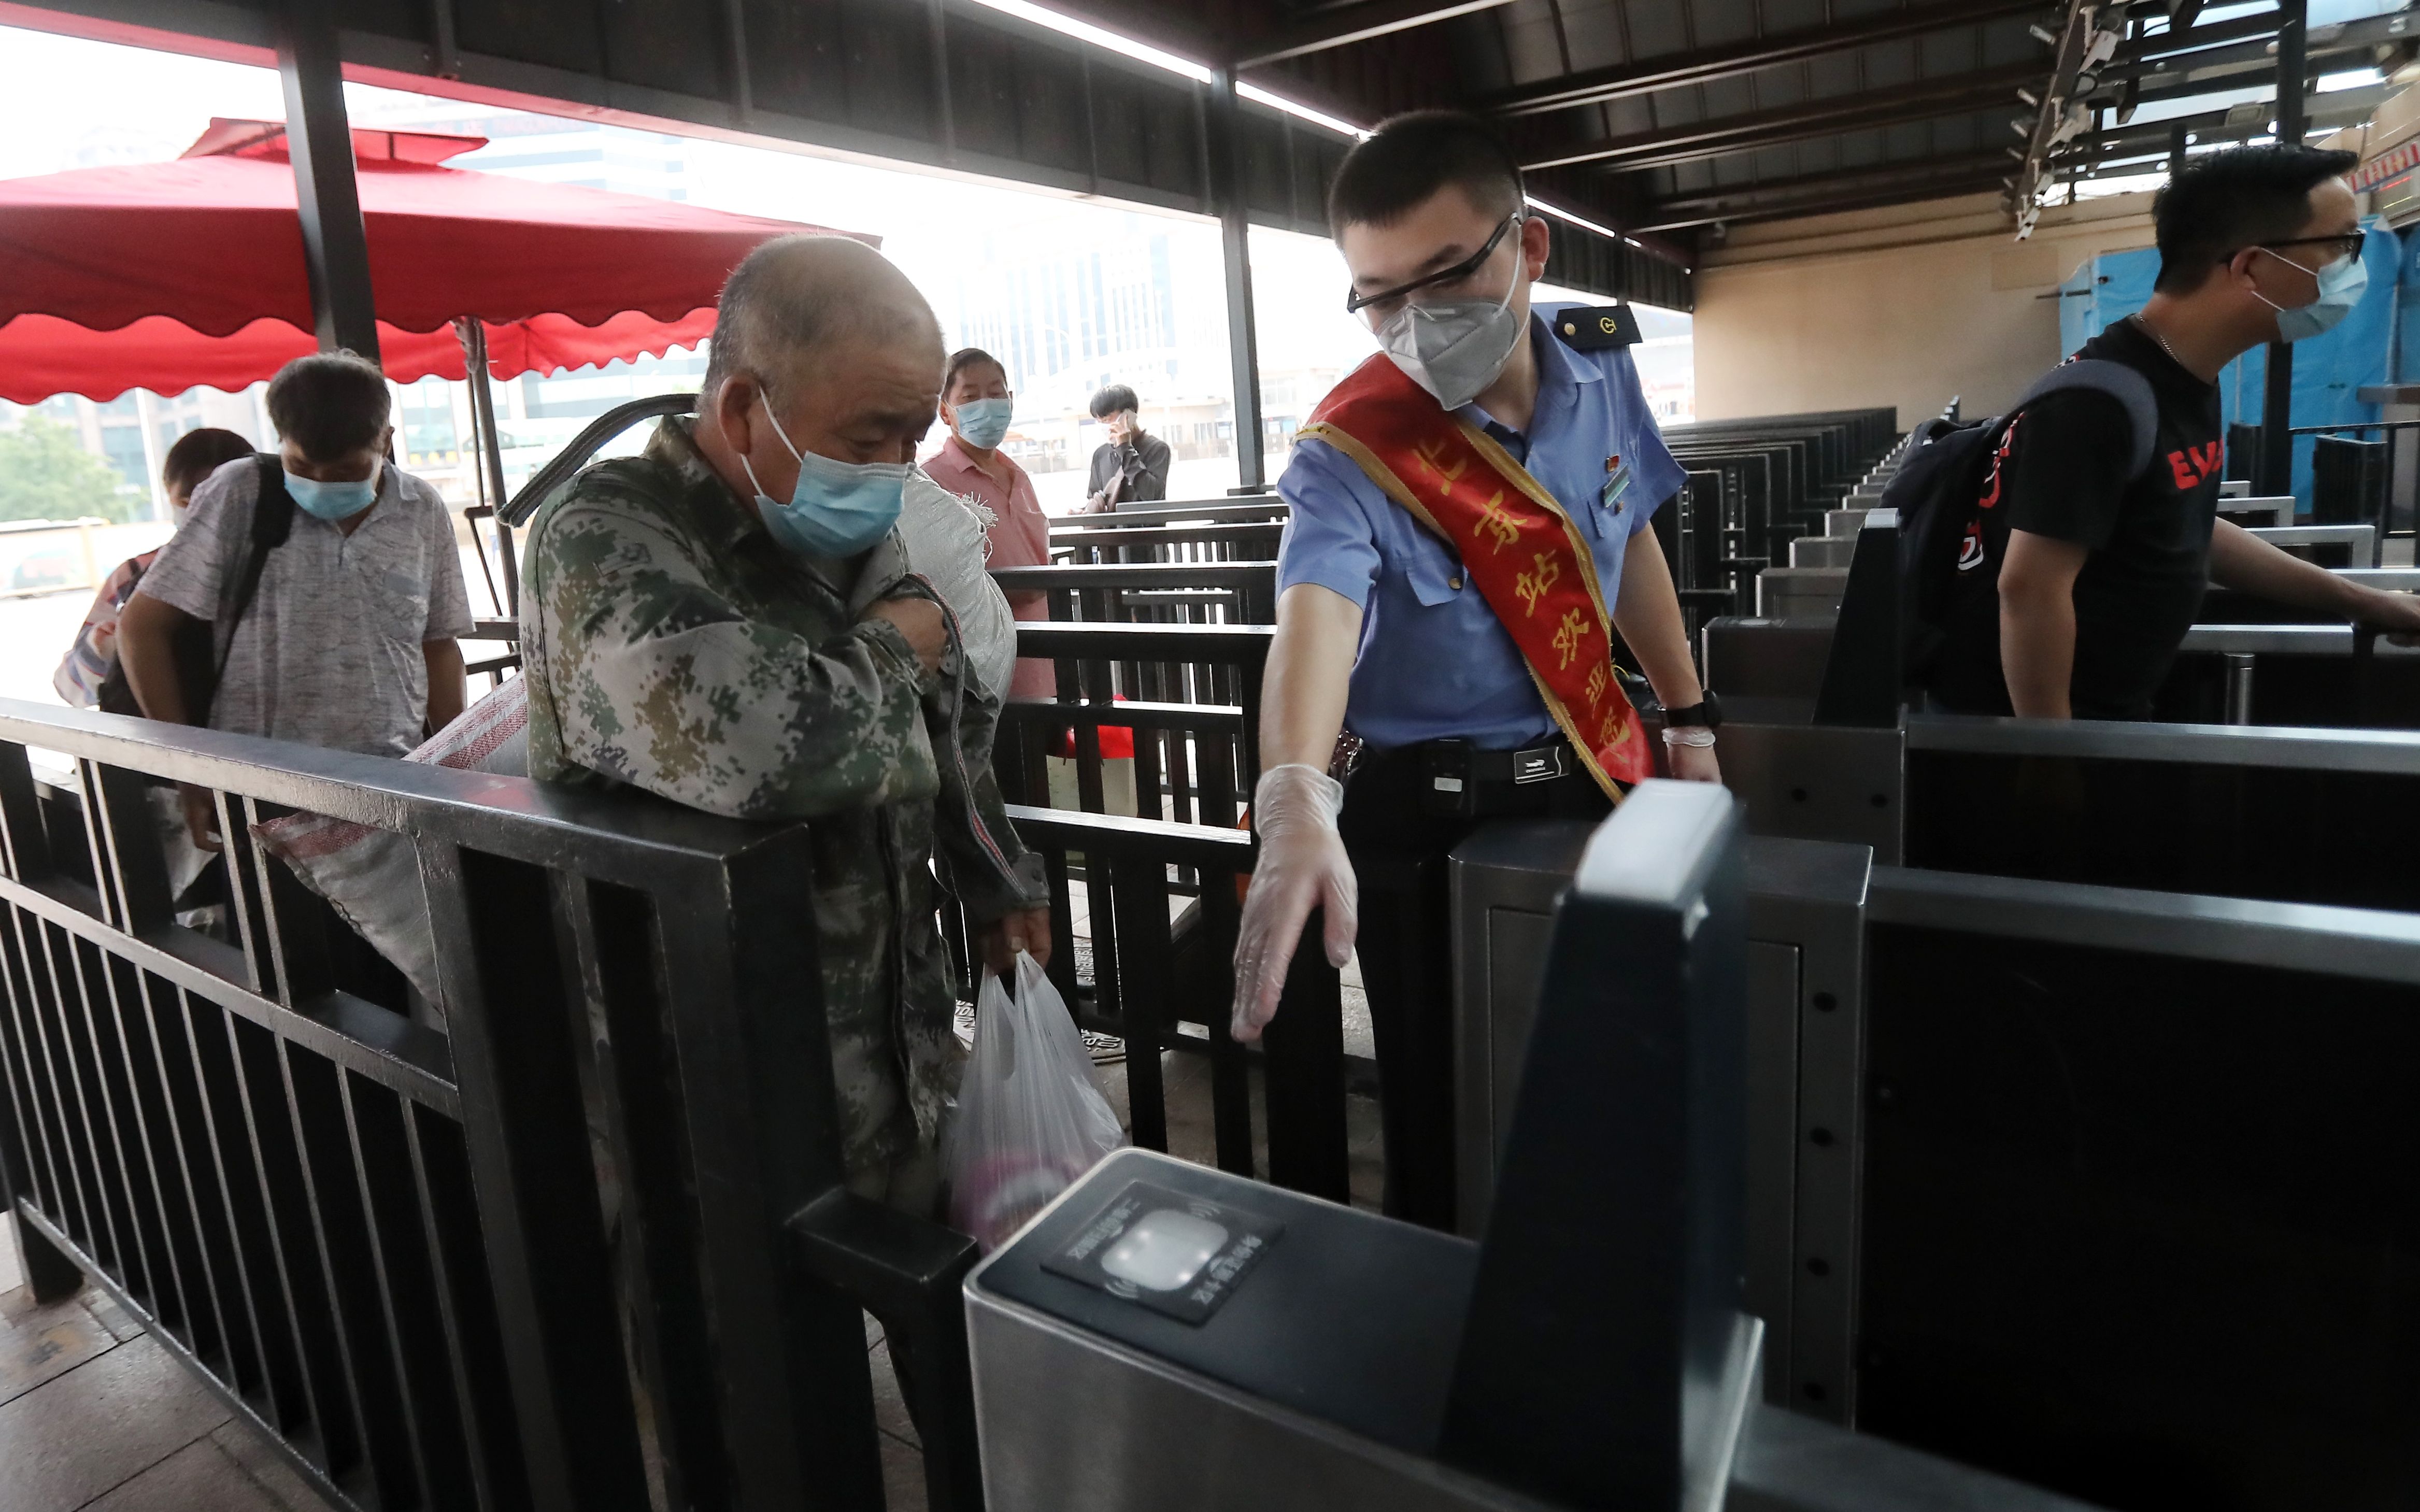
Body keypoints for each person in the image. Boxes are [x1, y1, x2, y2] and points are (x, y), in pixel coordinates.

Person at [1227, 110, 1720, 1231]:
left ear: (1529, 249)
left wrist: (1687, 715)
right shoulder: (1348, 448)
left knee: (1599, 1068)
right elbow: (1311, 618)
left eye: (1447, 274)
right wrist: (1295, 792)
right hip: (1428, 823)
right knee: (1444, 1112)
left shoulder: (1597, 359)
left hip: (1589, 780)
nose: (1414, 319)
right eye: (1379, 293)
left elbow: (1626, 528)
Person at [517, 233, 1050, 1214]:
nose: (896, 469)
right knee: (736, 1352)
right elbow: (762, 746)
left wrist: (994, 874)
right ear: (741, 408)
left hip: (899, 1036)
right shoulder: (608, 535)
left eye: (907, 438)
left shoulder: (849, 519)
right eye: (868, 438)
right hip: (711, 1083)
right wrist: (894, 645)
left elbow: (947, 726)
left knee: (947, 1315)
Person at [1919, 143, 2420, 720]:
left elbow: (2184, 524)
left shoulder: (2180, 378)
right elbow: (2029, 589)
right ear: (2251, 265)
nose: (2350, 265)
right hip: (2030, 735)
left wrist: (2362, 600)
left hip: (2107, 715)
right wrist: (2049, 759)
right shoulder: (2095, 404)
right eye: (2339, 243)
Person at [120, 353, 472, 848]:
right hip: (260, 788)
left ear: (386, 442)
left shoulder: (421, 510)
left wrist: (456, 767)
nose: (322, 484)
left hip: (393, 783)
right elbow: (141, 628)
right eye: (301, 465)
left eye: (349, 470)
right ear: (280, 443)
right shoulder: (241, 492)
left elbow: (438, 644)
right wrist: (187, 768)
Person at [55, 426, 252, 708]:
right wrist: (107, 647)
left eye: (222, 502)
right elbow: (70, 683)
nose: (210, 516)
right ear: (171, 498)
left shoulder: (285, 566)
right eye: (191, 503)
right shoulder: (136, 574)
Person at [923, 346, 1057, 697]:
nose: (986, 405)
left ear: (1011, 401)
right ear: (946, 412)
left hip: (1044, 656)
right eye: (970, 397)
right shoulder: (931, 482)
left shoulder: (1019, 476)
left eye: (996, 394)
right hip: (985, 672)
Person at [1083, 383, 1170, 511]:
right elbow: (1096, 498)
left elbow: (1153, 495)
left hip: (1146, 531)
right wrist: (1084, 511)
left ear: (1128, 416)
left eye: (1107, 420)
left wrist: (1125, 449)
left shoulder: (1158, 449)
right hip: (1111, 531)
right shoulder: (1101, 454)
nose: (1104, 427)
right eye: (1100, 422)